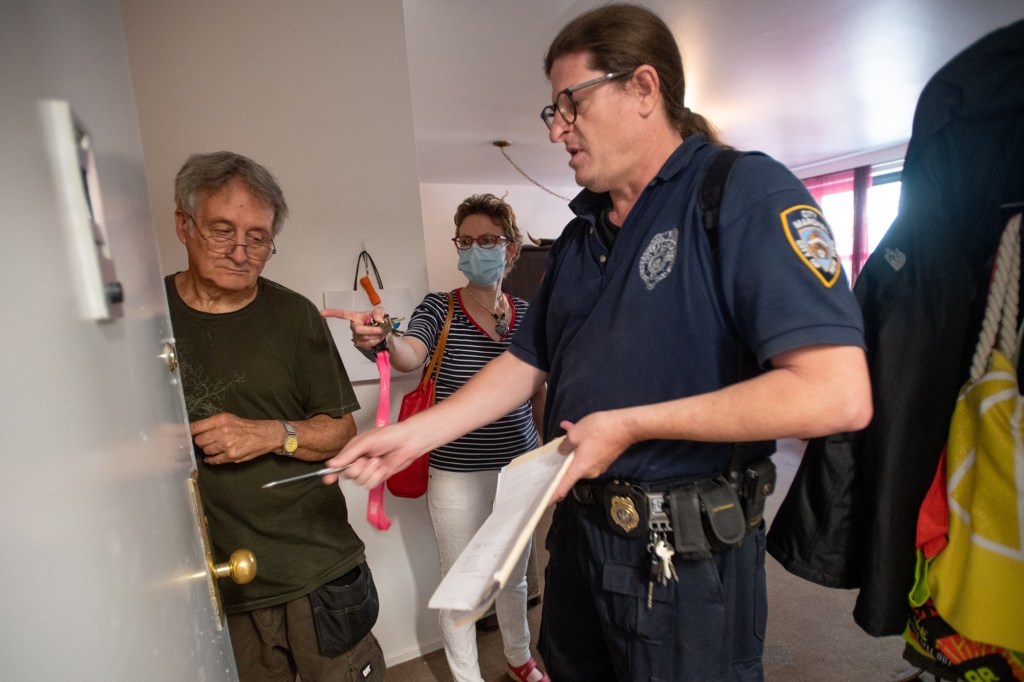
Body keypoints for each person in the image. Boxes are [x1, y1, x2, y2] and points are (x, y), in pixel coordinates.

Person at [321, 3, 872, 680]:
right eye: (551, 112)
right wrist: (413, 436)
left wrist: (633, 426)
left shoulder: (741, 193)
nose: (558, 129)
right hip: (580, 541)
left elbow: (836, 394)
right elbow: (526, 364)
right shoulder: (580, 240)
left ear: (643, 88)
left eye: (570, 105)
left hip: (684, 562)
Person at [165, 151, 385, 681]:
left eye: (258, 237)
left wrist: (271, 434)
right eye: (222, 231)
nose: (241, 252)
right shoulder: (150, 320)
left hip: (315, 570)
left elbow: (340, 429)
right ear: (184, 226)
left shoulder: (293, 316)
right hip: (218, 581)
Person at [322, 193, 549, 682]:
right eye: (465, 241)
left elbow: (539, 385)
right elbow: (410, 353)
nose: (474, 250)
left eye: (487, 240)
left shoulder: (528, 313)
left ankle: (518, 659)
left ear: (510, 249)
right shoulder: (439, 308)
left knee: (513, 576)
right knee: (462, 586)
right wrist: (382, 339)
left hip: (520, 468)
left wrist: (544, 446)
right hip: (458, 471)